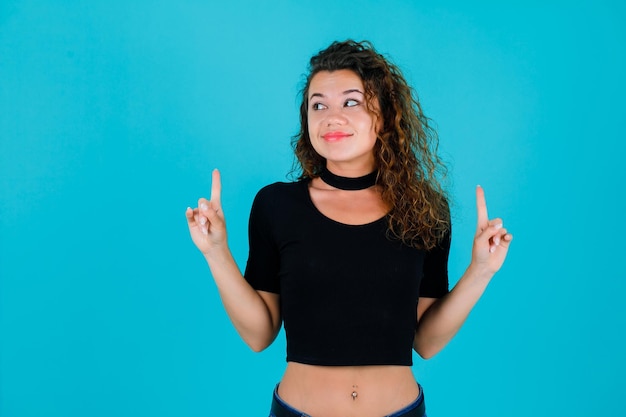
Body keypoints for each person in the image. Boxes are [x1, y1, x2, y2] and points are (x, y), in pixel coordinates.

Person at [185, 40, 512, 417]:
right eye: (318, 105)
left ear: (386, 115)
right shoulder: (277, 206)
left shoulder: (424, 211)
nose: (331, 117)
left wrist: (481, 271)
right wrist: (215, 252)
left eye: (350, 102)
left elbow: (425, 341)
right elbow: (260, 335)